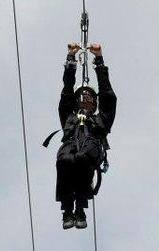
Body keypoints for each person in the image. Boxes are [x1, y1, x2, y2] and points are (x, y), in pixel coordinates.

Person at [55, 42, 117, 230]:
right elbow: (66, 91)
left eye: (90, 96)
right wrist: (70, 59)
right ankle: (67, 211)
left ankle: (80, 209)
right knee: (65, 160)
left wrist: (99, 60)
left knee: (82, 158)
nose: (86, 98)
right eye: (82, 95)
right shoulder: (69, 117)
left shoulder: (101, 119)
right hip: (71, 143)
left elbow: (108, 96)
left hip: (91, 147)